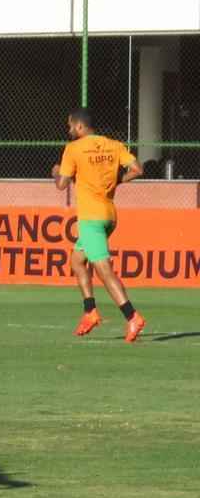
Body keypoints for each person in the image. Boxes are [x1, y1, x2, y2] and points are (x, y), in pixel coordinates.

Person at [53, 108, 145, 342]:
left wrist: (55, 172)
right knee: (77, 261)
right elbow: (138, 169)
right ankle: (90, 311)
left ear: (80, 127)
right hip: (109, 215)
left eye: (71, 126)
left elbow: (62, 185)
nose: (69, 130)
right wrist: (117, 181)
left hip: (91, 219)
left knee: (104, 270)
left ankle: (132, 316)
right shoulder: (113, 145)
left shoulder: (73, 149)